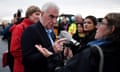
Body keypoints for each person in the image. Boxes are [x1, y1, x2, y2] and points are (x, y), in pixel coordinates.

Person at [36, 13, 120, 72]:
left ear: (112, 29)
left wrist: (51, 57)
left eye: (102, 23)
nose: (98, 27)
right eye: (84, 22)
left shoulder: (94, 51)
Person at [21, 2, 66, 72]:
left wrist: (61, 53)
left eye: (56, 17)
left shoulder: (52, 32)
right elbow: (26, 60)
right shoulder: (31, 31)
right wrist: (51, 50)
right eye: (51, 16)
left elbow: (53, 54)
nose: (54, 21)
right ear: (42, 14)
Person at [10, 5, 41, 72]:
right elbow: (14, 50)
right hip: (22, 67)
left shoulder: (38, 28)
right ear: (29, 15)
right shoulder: (20, 28)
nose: (39, 17)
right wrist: (29, 61)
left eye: (40, 15)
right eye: (37, 14)